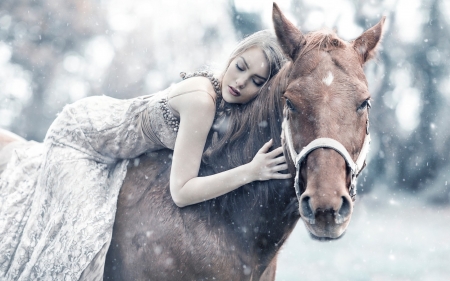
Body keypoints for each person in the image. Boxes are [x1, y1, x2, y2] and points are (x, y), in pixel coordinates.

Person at [0, 30, 289, 280]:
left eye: (256, 81)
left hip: (117, 149)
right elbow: (182, 191)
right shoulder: (202, 101)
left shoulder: (228, 100)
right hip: (83, 139)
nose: (240, 82)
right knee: (80, 242)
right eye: (240, 67)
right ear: (233, 56)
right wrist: (251, 172)